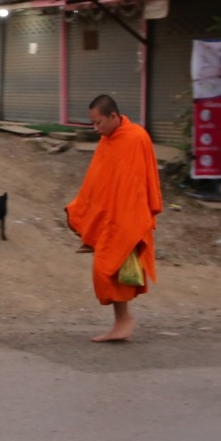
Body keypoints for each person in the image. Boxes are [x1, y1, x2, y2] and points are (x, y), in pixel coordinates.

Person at [65, 93, 162, 343]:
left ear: (114, 116)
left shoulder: (137, 137)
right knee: (109, 271)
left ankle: (124, 322)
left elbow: (143, 178)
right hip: (111, 216)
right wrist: (88, 220)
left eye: (99, 122)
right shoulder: (108, 140)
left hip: (130, 215)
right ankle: (122, 321)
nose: (96, 129)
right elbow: (98, 182)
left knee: (110, 269)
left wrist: (134, 212)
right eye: (93, 124)